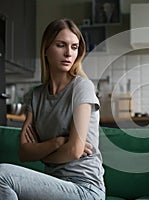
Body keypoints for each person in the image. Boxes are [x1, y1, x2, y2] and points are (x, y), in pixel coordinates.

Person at [0, 18, 105, 199]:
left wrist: (44, 155)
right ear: (46, 49)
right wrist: (56, 143)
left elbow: (75, 150)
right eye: (61, 45)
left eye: (74, 47)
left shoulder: (81, 87)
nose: (68, 53)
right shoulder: (35, 95)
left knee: (2, 175)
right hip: (53, 184)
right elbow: (24, 153)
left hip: (85, 188)